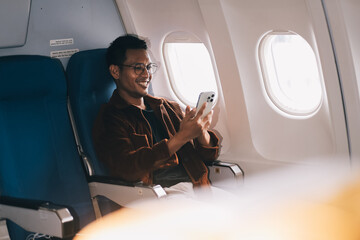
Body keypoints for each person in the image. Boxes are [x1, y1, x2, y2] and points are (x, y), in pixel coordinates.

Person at [93, 34, 220, 194]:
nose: (146, 75)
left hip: (199, 187)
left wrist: (201, 132)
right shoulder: (110, 118)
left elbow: (208, 157)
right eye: (138, 68)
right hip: (158, 194)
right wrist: (181, 137)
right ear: (115, 71)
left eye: (148, 67)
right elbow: (127, 169)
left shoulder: (167, 107)